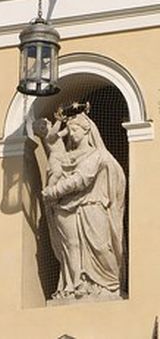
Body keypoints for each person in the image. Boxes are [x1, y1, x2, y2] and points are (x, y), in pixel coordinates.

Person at [42, 112, 126, 300]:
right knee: (72, 246)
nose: (71, 134)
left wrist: (53, 192)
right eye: (69, 130)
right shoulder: (65, 156)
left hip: (93, 205)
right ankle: (75, 285)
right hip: (66, 207)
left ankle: (109, 286)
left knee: (101, 246)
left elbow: (82, 179)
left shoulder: (97, 155)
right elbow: (55, 164)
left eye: (75, 129)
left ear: (87, 130)